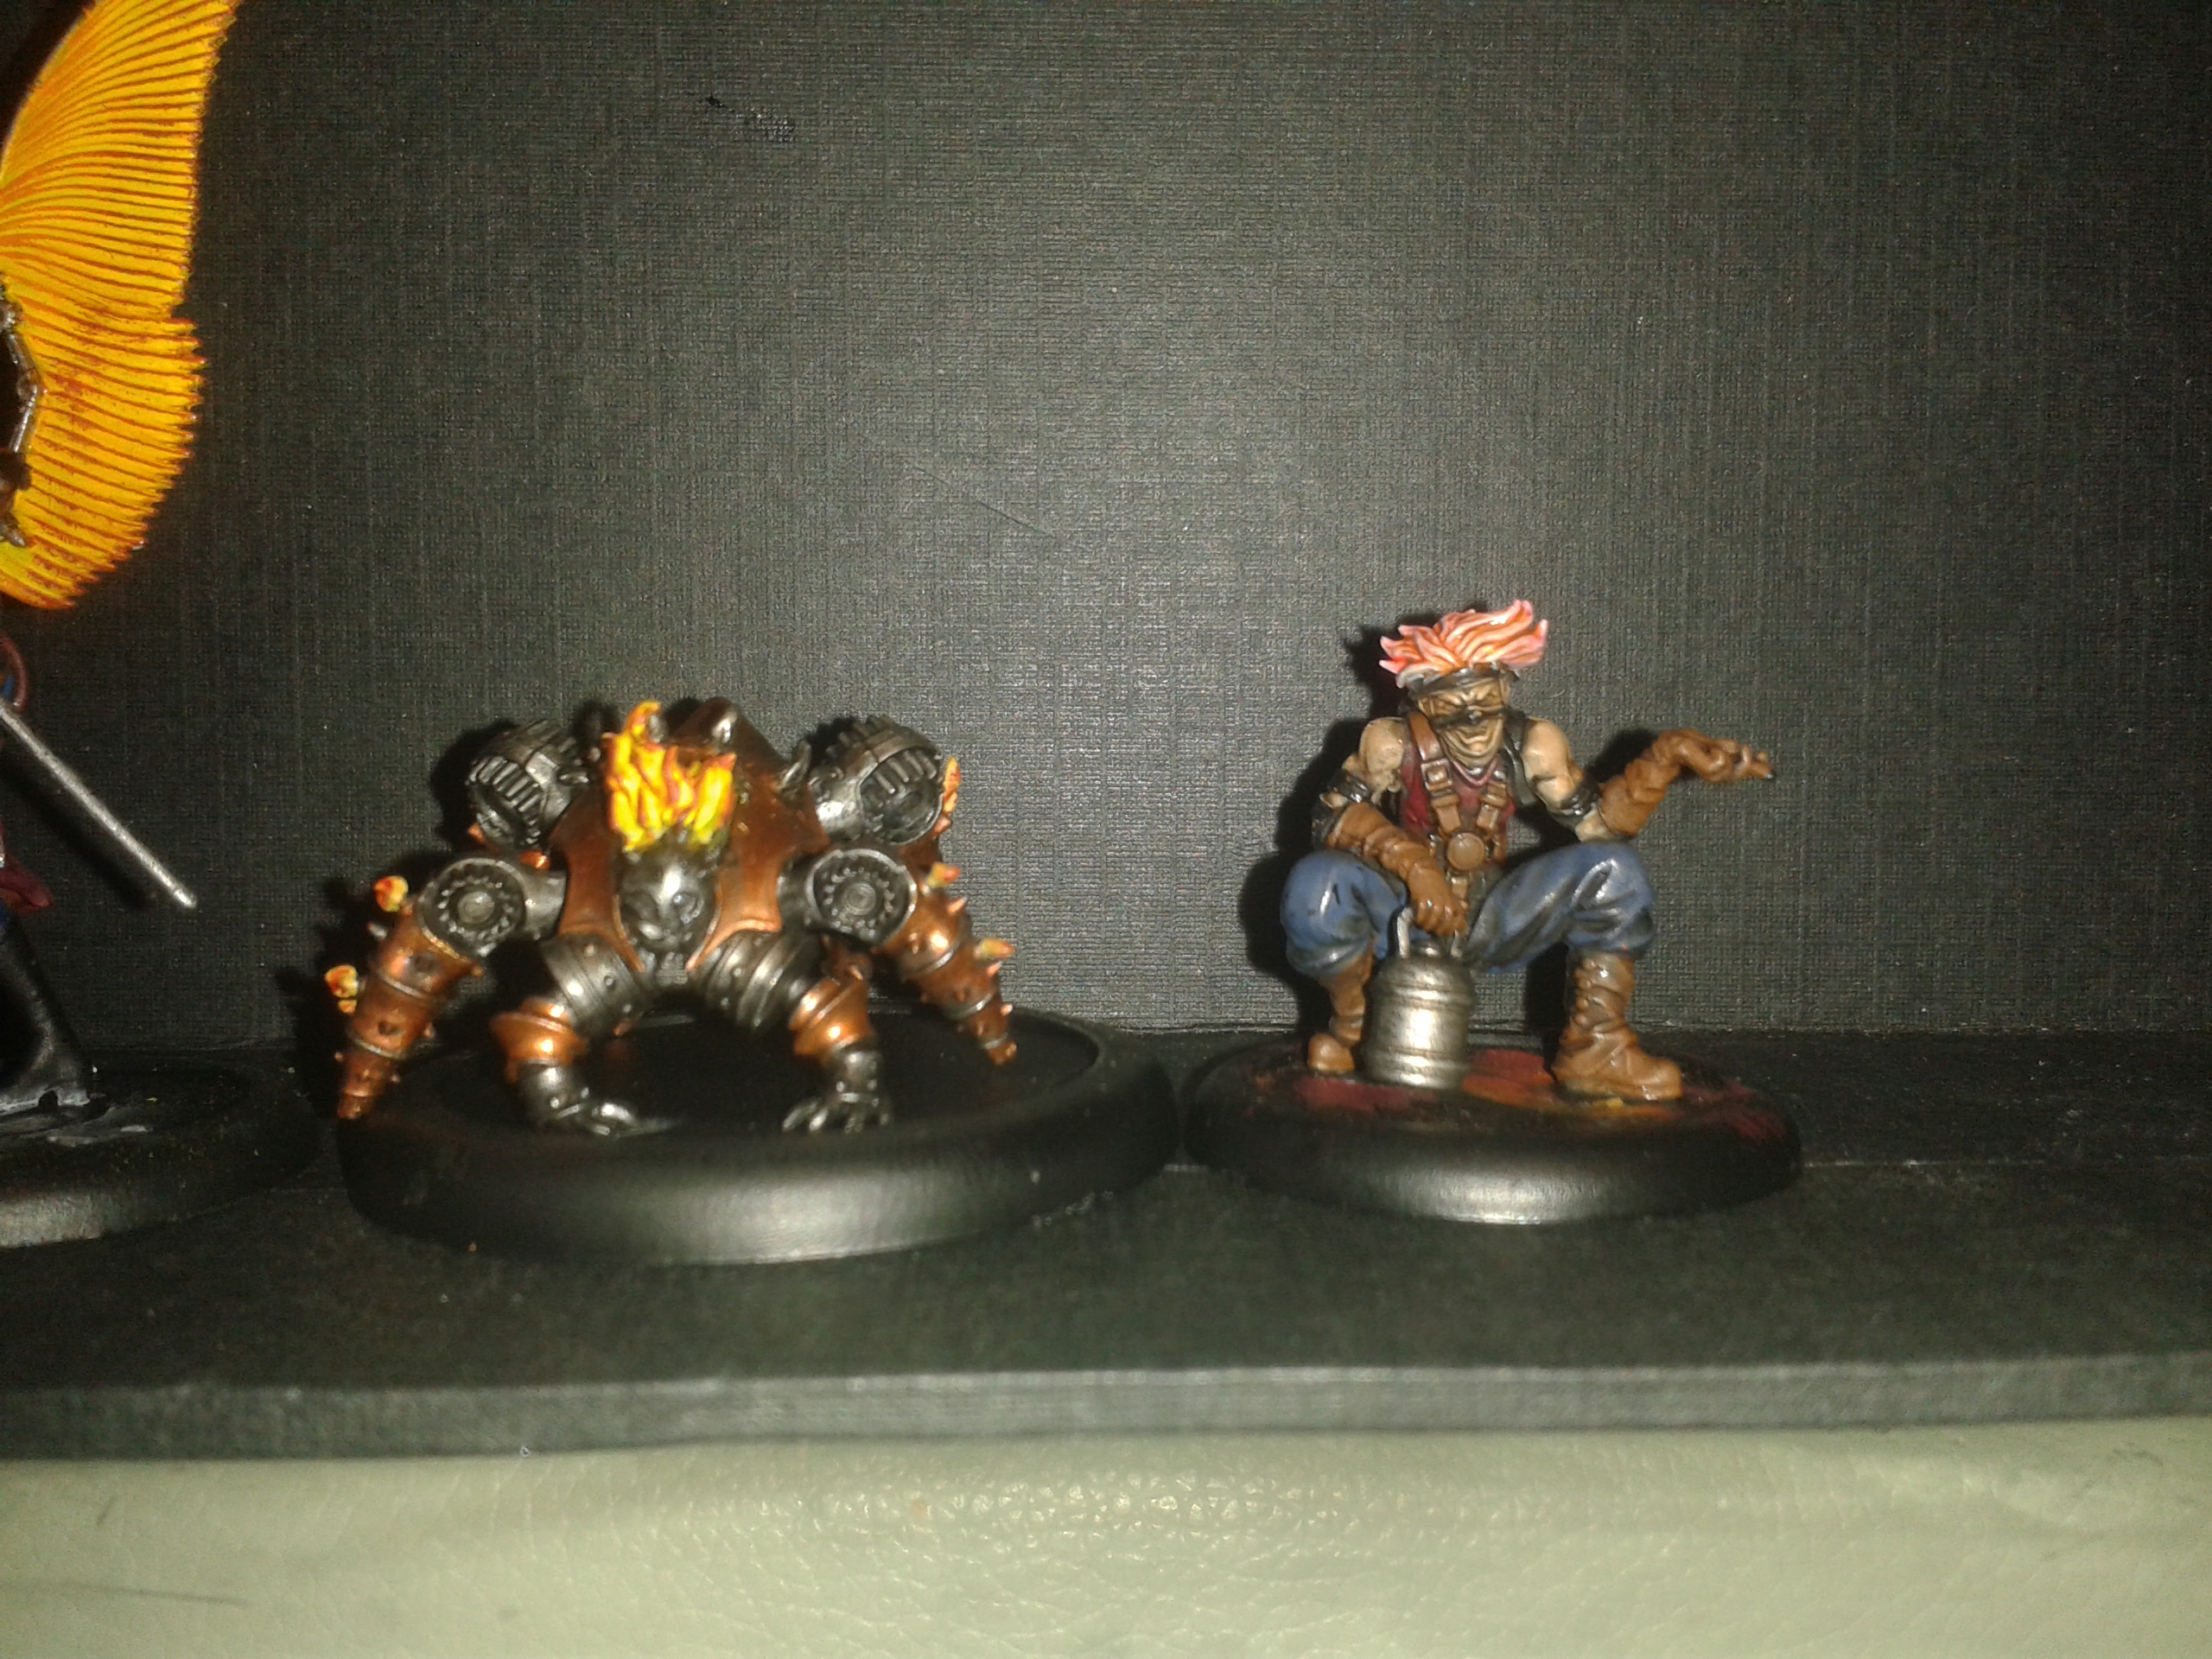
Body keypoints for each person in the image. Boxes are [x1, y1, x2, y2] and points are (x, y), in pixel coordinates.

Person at [1281, 601, 1770, 1100]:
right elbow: (1330, 817)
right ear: (1423, 702)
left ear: (1506, 688)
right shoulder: (1391, 743)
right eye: (1451, 706)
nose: (1473, 720)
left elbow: (1603, 827)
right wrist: (1413, 865)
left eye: (1484, 699)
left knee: (1614, 870)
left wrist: (1665, 759)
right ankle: (1360, 1027)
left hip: (1492, 913)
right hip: (1402, 913)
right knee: (1318, 883)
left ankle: (1596, 1048)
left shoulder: (1534, 745)